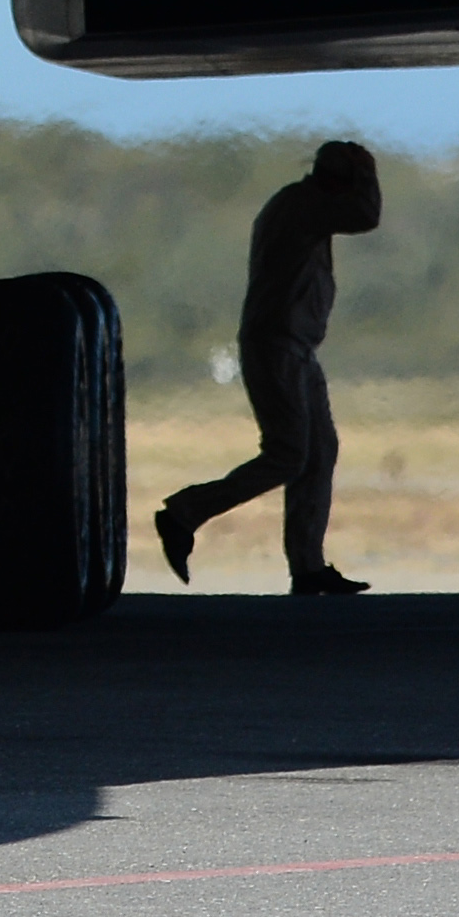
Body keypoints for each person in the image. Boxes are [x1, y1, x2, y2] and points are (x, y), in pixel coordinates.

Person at [155, 138, 385, 597]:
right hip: (278, 345)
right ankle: (185, 512)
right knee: (289, 454)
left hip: (294, 346)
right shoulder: (303, 207)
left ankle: (308, 566)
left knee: (318, 450)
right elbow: (366, 217)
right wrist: (369, 176)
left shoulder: (300, 204)